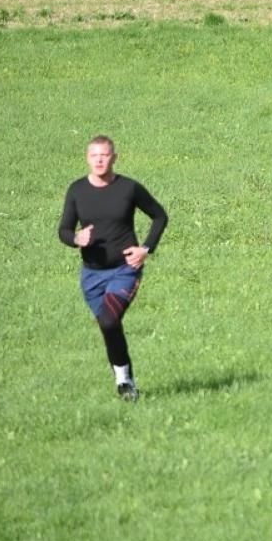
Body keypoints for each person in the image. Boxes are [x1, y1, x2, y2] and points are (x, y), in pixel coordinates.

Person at [58, 136, 168, 400]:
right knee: (109, 326)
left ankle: (123, 383)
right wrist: (76, 238)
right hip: (91, 275)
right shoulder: (77, 191)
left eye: (105, 155)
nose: (99, 160)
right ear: (87, 158)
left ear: (114, 158)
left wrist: (146, 249)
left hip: (125, 270)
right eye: (94, 155)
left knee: (109, 320)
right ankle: (125, 379)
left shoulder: (128, 188)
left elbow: (159, 216)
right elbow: (63, 229)